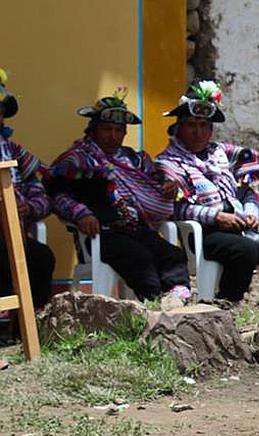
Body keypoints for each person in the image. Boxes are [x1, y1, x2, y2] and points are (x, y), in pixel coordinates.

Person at [156, 80, 259, 303]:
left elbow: (246, 192)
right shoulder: (168, 163)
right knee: (245, 250)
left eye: (204, 126)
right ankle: (227, 303)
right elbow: (172, 209)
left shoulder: (222, 155)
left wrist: (251, 213)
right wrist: (216, 217)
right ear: (179, 127)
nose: (198, 132)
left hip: (239, 227)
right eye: (192, 125)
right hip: (204, 234)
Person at [47, 90, 190, 304]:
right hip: (100, 234)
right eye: (107, 129)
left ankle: (176, 300)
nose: (113, 136)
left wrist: (166, 187)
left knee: (172, 255)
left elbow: (154, 184)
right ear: (93, 130)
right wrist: (81, 214)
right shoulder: (76, 160)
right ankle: (154, 304)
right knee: (140, 258)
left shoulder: (134, 159)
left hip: (135, 228)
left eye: (119, 130)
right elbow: (56, 193)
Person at [0, 67, 55, 310]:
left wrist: (28, 207)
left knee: (41, 257)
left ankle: (28, 325)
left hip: (13, 233)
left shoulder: (13, 151)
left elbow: (40, 189)